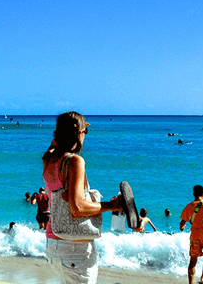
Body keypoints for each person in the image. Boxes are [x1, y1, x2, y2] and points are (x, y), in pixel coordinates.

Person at [42, 112, 124, 284]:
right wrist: (110, 205)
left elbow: (53, 145)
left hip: (53, 243)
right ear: (78, 132)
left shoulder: (48, 159)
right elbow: (77, 207)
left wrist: (74, 129)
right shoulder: (75, 161)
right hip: (75, 248)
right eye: (84, 132)